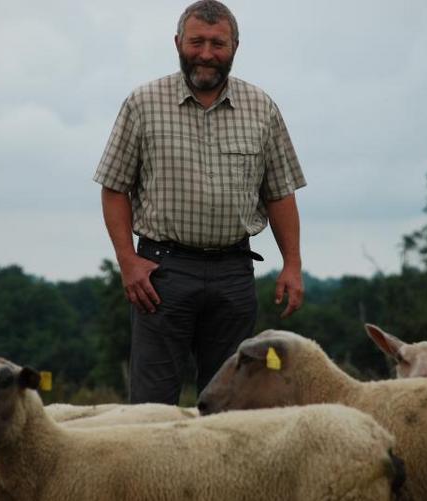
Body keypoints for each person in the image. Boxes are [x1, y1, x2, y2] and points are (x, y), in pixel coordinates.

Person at [93, 0, 306, 405]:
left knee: (233, 405)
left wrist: (292, 264)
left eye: (218, 44)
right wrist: (127, 260)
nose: (206, 54)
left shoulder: (262, 108)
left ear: (235, 48)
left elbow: (279, 191)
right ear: (178, 42)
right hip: (160, 273)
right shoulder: (143, 104)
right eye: (197, 42)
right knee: (152, 407)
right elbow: (114, 187)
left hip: (234, 272)